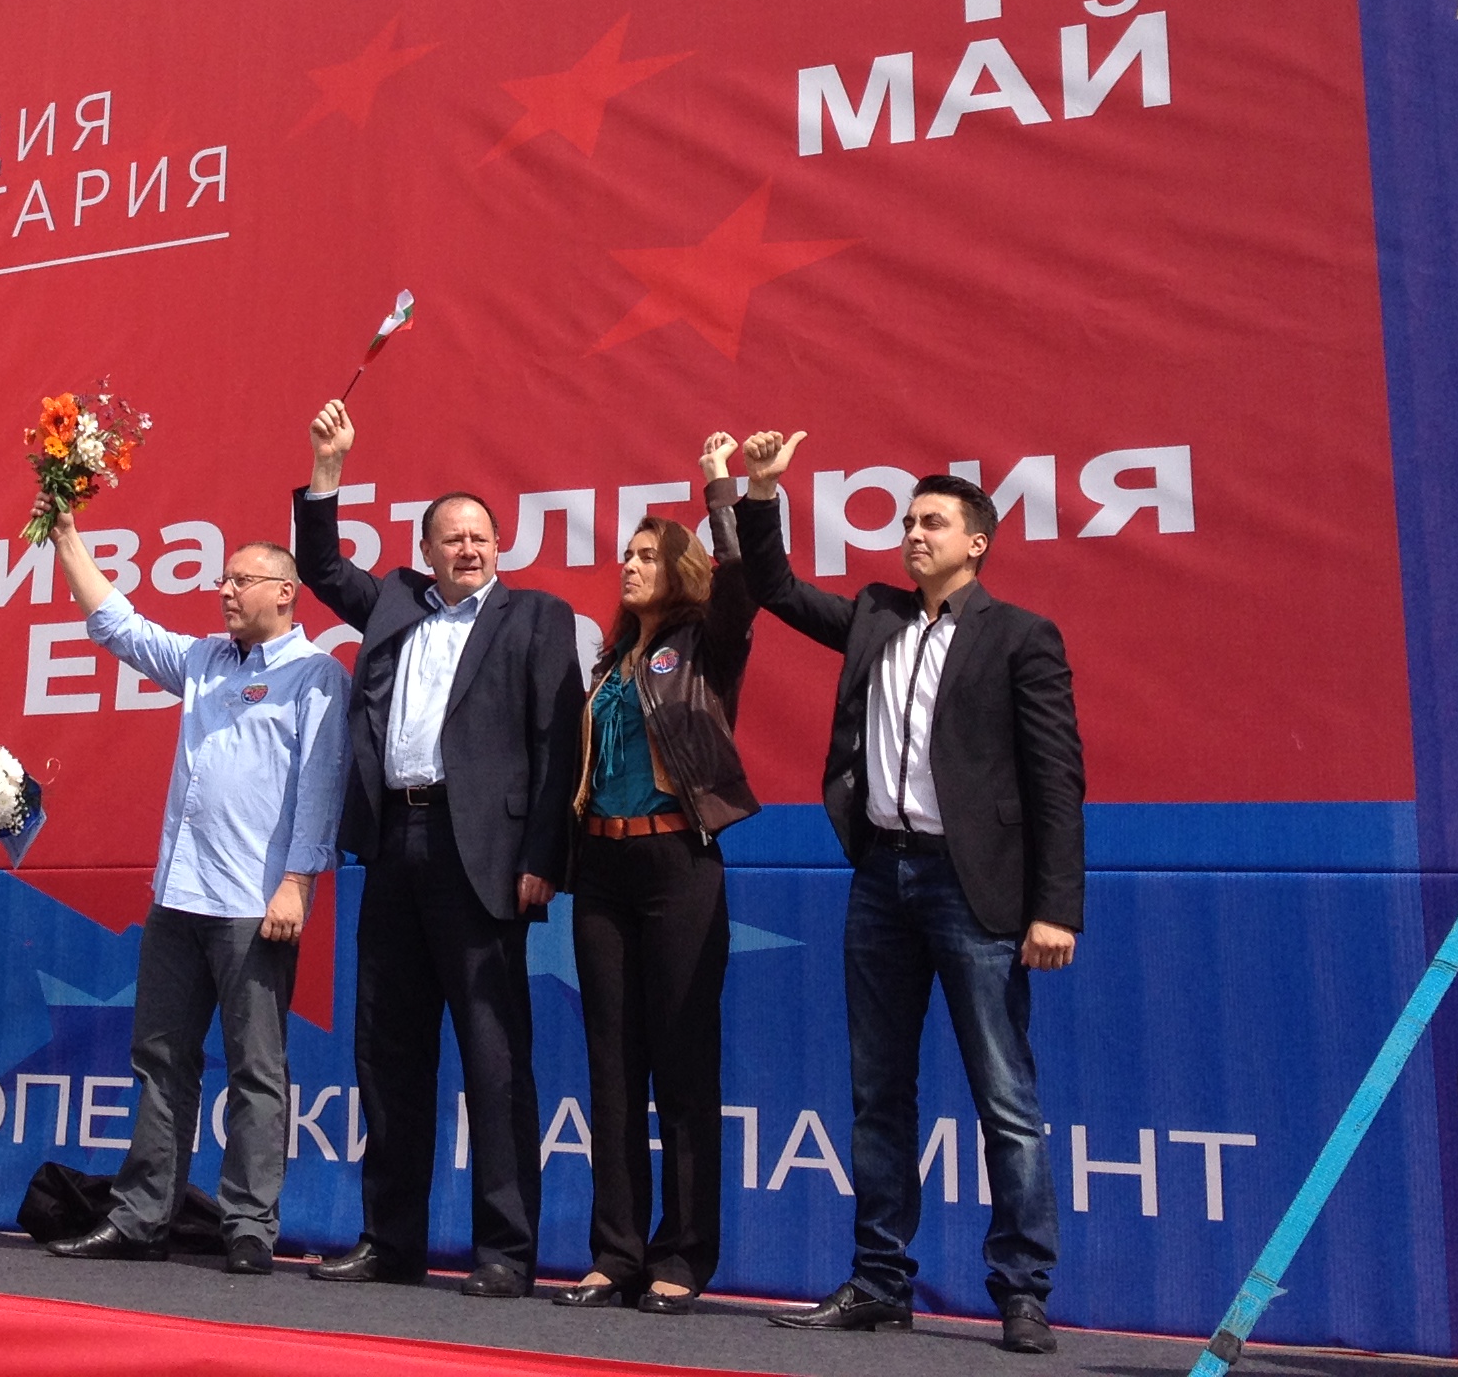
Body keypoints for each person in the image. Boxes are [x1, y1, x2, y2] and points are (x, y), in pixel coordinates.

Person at [734, 432, 1086, 1356]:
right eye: (908, 520)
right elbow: (774, 589)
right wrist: (762, 492)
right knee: (876, 1092)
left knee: (1003, 1096)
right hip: (880, 879)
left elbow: (1057, 780)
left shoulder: (1020, 636)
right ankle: (881, 1279)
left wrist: (1056, 908)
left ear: (978, 542)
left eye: (933, 522)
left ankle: (1021, 1291)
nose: (913, 533)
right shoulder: (877, 617)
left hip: (974, 891)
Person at [292, 398, 583, 1299]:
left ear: (500, 547)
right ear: (426, 553)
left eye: (481, 536)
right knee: (388, 1050)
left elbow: (557, 740)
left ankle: (505, 1250)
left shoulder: (536, 618)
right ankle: (392, 1240)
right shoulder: (395, 601)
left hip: (484, 855)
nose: (469, 548)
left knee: (494, 1057)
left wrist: (542, 854)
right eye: (451, 538)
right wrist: (328, 468)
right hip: (394, 844)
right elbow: (317, 563)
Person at [45, 511, 347, 1277]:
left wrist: (296, 883)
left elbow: (320, 786)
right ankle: (143, 1215)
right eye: (222, 579)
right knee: (159, 1060)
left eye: (240, 580)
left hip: (254, 903)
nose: (224, 591)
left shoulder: (315, 674)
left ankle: (250, 1224)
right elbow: (119, 626)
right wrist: (67, 535)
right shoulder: (207, 661)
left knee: (256, 1069)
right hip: (178, 896)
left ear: (286, 592)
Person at [559, 449, 761, 1314]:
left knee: (681, 1064)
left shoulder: (703, 643)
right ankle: (616, 1253)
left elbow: (744, 583)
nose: (629, 565)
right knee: (611, 1064)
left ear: (677, 569)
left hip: (679, 862)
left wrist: (724, 491)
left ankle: (682, 1256)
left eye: (645, 555)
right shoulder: (608, 664)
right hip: (602, 867)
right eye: (625, 556)